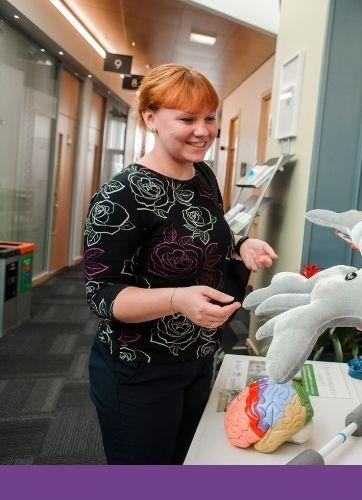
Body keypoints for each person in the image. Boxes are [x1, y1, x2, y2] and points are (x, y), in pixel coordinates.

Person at [83, 64, 277, 464]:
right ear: (150, 118)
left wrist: (241, 244)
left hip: (198, 357)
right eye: (187, 118)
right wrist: (177, 299)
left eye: (210, 117)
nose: (203, 130)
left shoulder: (203, 174)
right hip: (139, 370)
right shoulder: (120, 195)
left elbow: (210, 231)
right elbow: (102, 296)